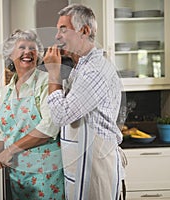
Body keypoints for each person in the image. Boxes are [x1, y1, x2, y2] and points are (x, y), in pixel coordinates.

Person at [43, 4, 126, 200]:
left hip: (96, 168)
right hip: (82, 166)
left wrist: (53, 73)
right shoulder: (80, 68)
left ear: (84, 31)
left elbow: (60, 116)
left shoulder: (94, 71)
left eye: (63, 29)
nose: (57, 36)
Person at [0, 29, 65, 199]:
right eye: (22, 47)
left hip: (45, 174)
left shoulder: (47, 82)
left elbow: (49, 127)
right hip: (18, 175)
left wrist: (8, 152)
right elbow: (6, 132)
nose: (28, 52)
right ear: (10, 54)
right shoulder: (6, 90)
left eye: (32, 48)